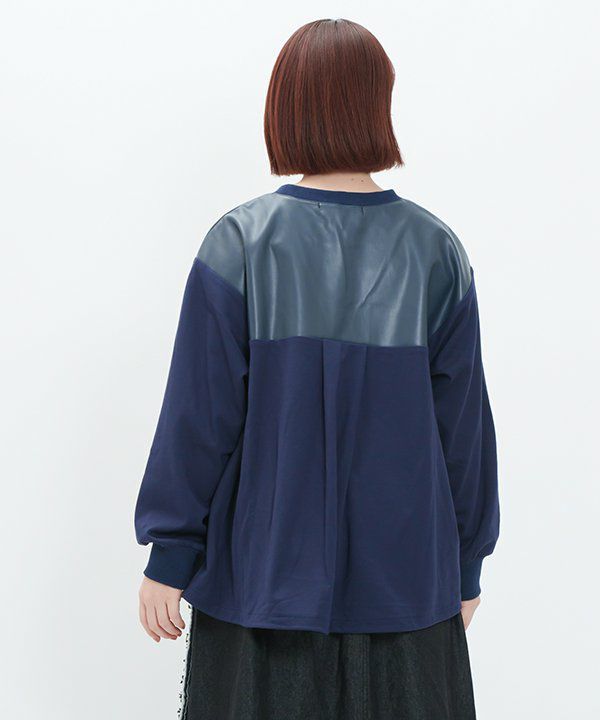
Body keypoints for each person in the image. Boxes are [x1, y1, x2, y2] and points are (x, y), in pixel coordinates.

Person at [135, 18, 499, 720]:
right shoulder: (436, 252)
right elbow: (465, 435)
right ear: (378, 105)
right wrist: (465, 567)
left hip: (264, 588)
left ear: (286, 107)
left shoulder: (239, 244)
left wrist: (170, 555)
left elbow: (198, 418)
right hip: (407, 589)